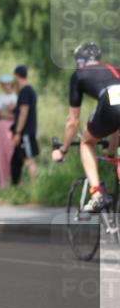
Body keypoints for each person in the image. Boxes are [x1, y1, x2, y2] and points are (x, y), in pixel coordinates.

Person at [51, 42, 120, 212]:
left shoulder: (79, 75)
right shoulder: (114, 69)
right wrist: (111, 151)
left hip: (111, 104)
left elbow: (73, 121)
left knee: (86, 142)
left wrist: (63, 150)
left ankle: (97, 194)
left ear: (80, 62)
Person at [10, 65, 39, 185]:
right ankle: (19, 186)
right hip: (26, 132)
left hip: (25, 133)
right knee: (17, 161)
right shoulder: (28, 91)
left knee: (29, 160)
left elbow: (23, 113)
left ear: (17, 76)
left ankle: (34, 188)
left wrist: (18, 133)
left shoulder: (25, 91)